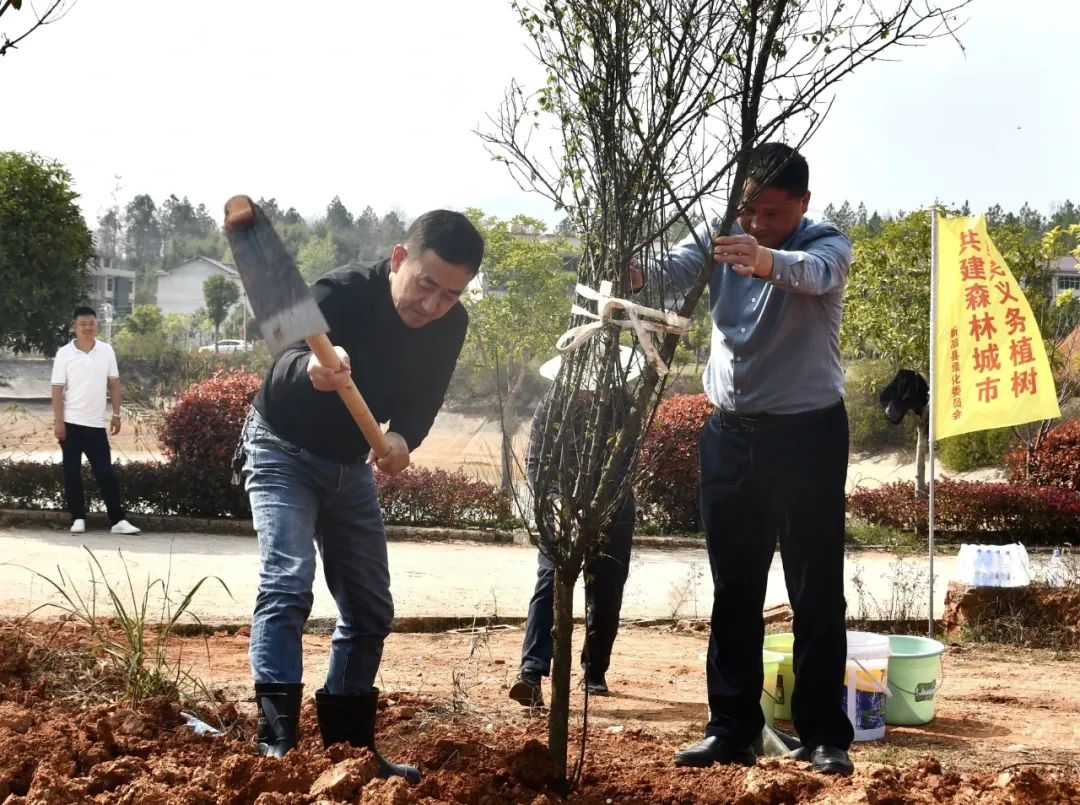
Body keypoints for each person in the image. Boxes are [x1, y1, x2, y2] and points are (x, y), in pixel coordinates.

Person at [241, 210, 484, 782]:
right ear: (399, 259)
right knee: (287, 581)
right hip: (282, 449)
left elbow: (423, 403)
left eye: (450, 295)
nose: (433, 306)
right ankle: (276, 743)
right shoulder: (342, 292)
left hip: (350, 466)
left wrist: (402, 437)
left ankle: (348, 751)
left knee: (371, 608)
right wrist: (312, 368)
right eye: (426, 285)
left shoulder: (452, 325)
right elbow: (280, 367)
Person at [658, 143, 856, 775]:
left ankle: (824, 733)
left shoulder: (826, 245)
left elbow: (814, 273)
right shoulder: (724, 237)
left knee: (814, 588)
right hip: (729, 435)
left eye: (771, 213)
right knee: (734, 587)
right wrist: (633, 270)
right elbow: (671, 269)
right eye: (749, 211)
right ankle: (732, 726)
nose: (756, 224)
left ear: (802, 202)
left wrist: (765, 258)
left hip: (807, 436)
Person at [509, 349, 640, 708]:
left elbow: (625, 467)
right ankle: (531, 673)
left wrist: (598, 509)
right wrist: (556, 504)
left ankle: (595, 671)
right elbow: (537, 462)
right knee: (549, 581)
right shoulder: (552, 407)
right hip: (559, 506)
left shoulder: (627, 410)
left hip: (613, 507)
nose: (589, 394)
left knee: (607, 586)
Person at [50, 306, 141, 536]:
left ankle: (118, 520)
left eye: (91, 323)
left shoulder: (106, 350)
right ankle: (78, 517)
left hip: (96, 424)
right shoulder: (64, 353)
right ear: (75, 327)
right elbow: (57, 389)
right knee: (72, 472)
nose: (87, 328)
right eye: (83, 324)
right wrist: (58, 422)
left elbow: (114, 384)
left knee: (105, 472)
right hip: (71, 422)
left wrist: (117, 414)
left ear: (96, 325)